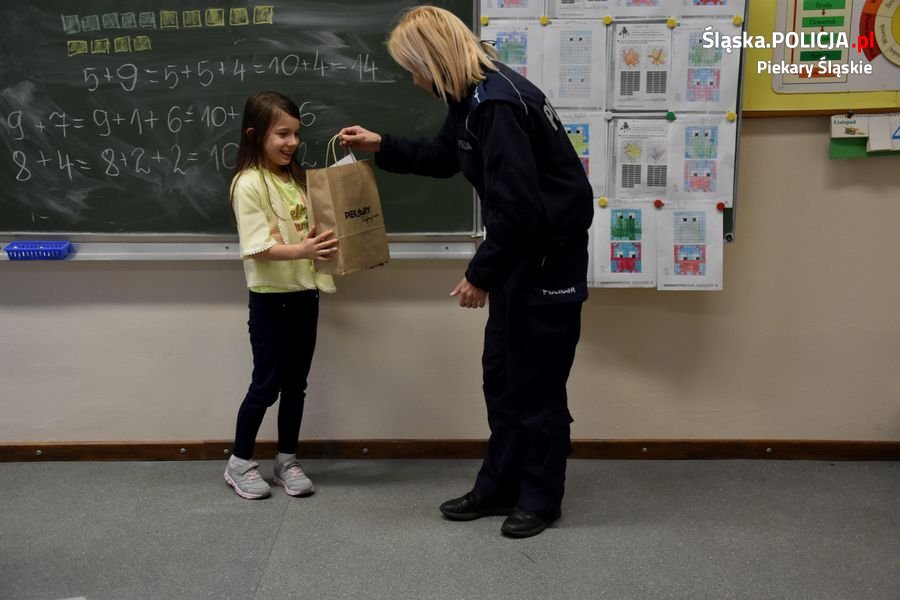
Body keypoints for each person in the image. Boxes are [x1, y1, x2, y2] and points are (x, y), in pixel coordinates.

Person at [339, 6, 593, 538]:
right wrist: (382, 145)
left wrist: (480, 274)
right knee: (501, 378)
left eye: (414, 69)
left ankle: (540, 498)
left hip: (546, 264)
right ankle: (499, 485)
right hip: (520, 260)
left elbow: (518, 207)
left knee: (537, 387)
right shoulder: (471, 99)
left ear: (433, 60)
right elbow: (444, 155)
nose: (413, 81)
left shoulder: (497, 103)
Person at [225, 91, 339, 499]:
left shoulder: (295, 180)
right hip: (271, 298)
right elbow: (257, 247)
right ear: (255, 135)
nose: (292, 142)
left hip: (305, 292)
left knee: (295, 385)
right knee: (266, 384)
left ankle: (286, 460)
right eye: (282, 134)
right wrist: (305, 249)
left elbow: (300, 230)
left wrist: (318, 241)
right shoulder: (248, 183)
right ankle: (239, 463)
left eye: (296, 134)